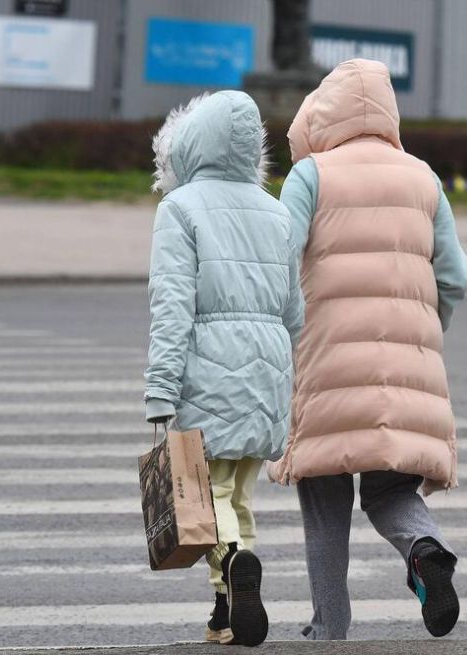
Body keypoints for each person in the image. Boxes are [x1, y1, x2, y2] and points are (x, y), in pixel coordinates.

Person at [269, 59, 467, 640]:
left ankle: (329, 629)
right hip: (407, 366)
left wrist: (288, 327)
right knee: (390, 490)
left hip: (327, 361)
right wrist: (427, 331)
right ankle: (426, 550)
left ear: (324, 112)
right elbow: (455, 275)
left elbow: (281, 257)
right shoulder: (423, 177)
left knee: (324, 498)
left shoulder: (312, 175)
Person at [143, 90, 304, 647]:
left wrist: (160, 390)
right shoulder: (276, 209)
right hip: (266, 377)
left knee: (205, 500)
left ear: (191, 144)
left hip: (203, 377)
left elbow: (171, 307)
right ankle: (227, 611)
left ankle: (235, 566)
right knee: (235, 497)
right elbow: (294, 312)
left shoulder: (180, 208)